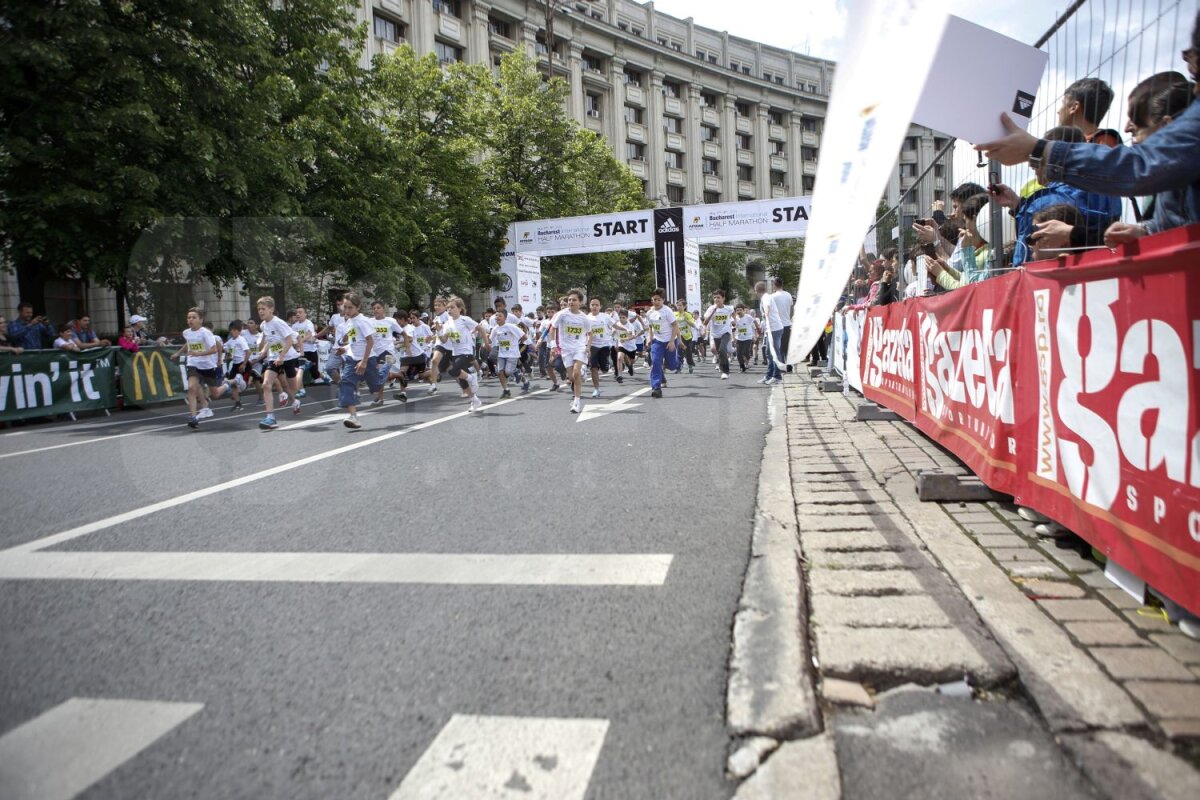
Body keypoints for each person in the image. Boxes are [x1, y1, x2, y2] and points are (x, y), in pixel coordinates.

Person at [976, 12, 1200, 228]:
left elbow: (1127, 177)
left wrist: (1040, 151)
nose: (1057, 111)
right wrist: (1020, 204)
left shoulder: (1105, 144)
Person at [988, 126, 1122, 267]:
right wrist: (1018, 205)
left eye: (1038, 157)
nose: (1032, 166)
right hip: (1102, 269)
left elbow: (1024, 260)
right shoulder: (1107, 193)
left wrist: (1026, 209)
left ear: (1053, 157)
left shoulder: (1042, 204)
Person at [168, 307, 237, 429]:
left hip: (208, 366)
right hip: (193, 364)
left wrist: (198, 353)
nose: (191, 320)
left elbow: (214, 349)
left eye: (194, 317)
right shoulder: (186, 332)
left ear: (200, 320)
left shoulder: (206, 333)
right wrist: (178, 353)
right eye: (189, 317)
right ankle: (194, 417)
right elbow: (188, 343)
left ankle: (227, 384)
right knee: (191, 387)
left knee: (215, 394)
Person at [334, 292, 381, 428]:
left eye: (350, 308)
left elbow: (370, 342)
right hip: (352, 359)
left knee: (376, 387)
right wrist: (345, 348)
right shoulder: (349, 322)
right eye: (345, 307)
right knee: (346, 382)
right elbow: (355, 341)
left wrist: (364, 362)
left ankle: (387, 366)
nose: (347, 310)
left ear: (358, 307)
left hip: (368, 359)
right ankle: (353, 417)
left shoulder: (362, 321)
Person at [255, 295, 302, 430]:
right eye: (259, 309)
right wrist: (263, 351)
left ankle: (295, 400)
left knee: (291, 388)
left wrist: (281, 356)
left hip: (288, 358)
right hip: (273, 358)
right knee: (266, 384)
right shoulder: (264, 325)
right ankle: (270, 417)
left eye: (263, 308)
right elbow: (270, 341)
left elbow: (289, 340)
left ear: (271, 309)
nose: (260, 311)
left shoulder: (278, 322)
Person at [437, 296, 483, 413]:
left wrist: (486, 342)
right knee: (462, 381)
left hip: (466, 351)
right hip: (456, 352)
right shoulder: (447, 323)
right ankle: (475, 400)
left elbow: (480, 328)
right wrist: (438, 330)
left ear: (460, 309)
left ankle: (472, 377)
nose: (449, 310)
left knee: (452, 371)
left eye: (452, 307)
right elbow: (443, 340)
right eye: (448, 308)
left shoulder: (464, 319)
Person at [550, 288, 592, 413]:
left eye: (574, 300)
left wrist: (588, 346)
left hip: (579, 348)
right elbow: (552, 329)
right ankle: (583, 372)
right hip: (566, 349)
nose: (570, 302)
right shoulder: (561, 314)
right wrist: (553, 345)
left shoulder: (584, 318)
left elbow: (590, 334)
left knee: (576, 373)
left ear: (580, 302)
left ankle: (577, 402)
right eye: (569, 300)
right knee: (571, 377)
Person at [367, 301, 405, 406]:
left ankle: (380, 398)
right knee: (379, 375)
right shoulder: (369, 321)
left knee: (380, 373)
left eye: (378, 308)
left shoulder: (390, 321)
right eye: (374, 308)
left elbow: (403, 333)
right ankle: (399, 375)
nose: (376, 310)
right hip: (375, 352)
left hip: (388, 352)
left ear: (383, 309)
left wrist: (407, 346)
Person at [585, 297, 624, 398]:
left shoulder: (605, 317)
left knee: (604, 370)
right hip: (593, 346)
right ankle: (596, 389)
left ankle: (607, 365)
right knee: (593, 368)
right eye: (592, 305)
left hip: (605, 345)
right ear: (590, 306)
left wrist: (625, 329)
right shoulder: (586, 318)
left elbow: (615, 325)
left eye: (596, 305)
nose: (594, 307)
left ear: (600, 306)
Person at [645, 288, 680, 399]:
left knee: (672, 366)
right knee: (655, 362)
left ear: (663, 300)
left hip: (669, 341)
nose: (656, 302)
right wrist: (649, 338)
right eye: (654, 299)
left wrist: (671, 341)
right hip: (657, 342)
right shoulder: (650, 313)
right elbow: (650, 327)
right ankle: (656, 388)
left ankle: (677, 363)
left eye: (658, 300)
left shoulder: (667, 311)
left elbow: (675, 326)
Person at [488, 307, 528, 398]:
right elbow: (490, 340)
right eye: (496, 315)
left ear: (505, 318)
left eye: (500, 316)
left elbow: (524, 336)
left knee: (508, 372)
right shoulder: (495, 328)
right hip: (501, 354)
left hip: (512, 354)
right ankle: (506, 390)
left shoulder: (511, 326)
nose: (497, 317)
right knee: (500, 372)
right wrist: (484, 340)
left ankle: (518, 373)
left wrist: (518, 343)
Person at [756, 281, 785, 385]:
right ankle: (769, 375)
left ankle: (777, 376)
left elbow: (767, 306)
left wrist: (766, 312)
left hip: (775, 329)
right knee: (768, 352)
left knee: (775, 352)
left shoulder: (766, 297)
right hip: (771, 329)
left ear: (757, 291)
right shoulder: (766, 297)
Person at [703, 290, 735, 380]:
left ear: (723, 298)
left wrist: (734, 321)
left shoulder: (728, 308)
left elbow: (733, 313)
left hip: (726, 332)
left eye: (718, 297)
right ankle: (724, 366)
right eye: (715, 297)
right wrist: (713, 312)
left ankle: (725, 371)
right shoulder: (710, 308)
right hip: (715, 334)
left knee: (722, 349)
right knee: (720, 352)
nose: (716, 299)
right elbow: (705, 323)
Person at [291, 306, 321, 391]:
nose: (298, 314)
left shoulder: (308, 323)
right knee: (298, 369)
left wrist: (300, 341)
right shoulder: (294, 326)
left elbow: (309, 335)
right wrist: (294, 344)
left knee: (314, 371)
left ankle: (323, 378)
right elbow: (292, 338)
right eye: (296, 312)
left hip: (310, 350)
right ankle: (300, 387)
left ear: (305, 314)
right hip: (299, 351)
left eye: (300, 312)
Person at [223, 320, 250, 411]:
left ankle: (250, 377)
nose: (232, 332)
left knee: (241, 383)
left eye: (235, 330)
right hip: (235, 364)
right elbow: (227, 350)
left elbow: (248, 352)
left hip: (243, 363)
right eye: (231, 330)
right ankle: (238, 403)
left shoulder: (241, 340)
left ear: (239, 331)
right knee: (233, 384)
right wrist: (228, 356)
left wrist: (244, 363)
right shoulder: (230, 341)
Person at [771, 278, 795, 372]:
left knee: (779, 347)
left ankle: (782, 366)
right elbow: (791, 308)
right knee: (787, 347)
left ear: (775, 285)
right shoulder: (788, 295)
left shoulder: (773, 297)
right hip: (787, 323)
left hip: (777, 325)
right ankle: (789, 366)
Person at [733, 305, 758, 373]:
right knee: (738, 354)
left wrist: (757, 331)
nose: (739, 311)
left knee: (745, 352)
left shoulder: (748, 317)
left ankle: (747, 358)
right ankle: (742, 367)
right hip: (739, 338)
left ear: (743, 310)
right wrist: (733, 337)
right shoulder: (735, 318)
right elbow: (733, 327)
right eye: (737, 310)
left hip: (748, 337)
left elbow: (754, 322)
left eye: (740, 310)